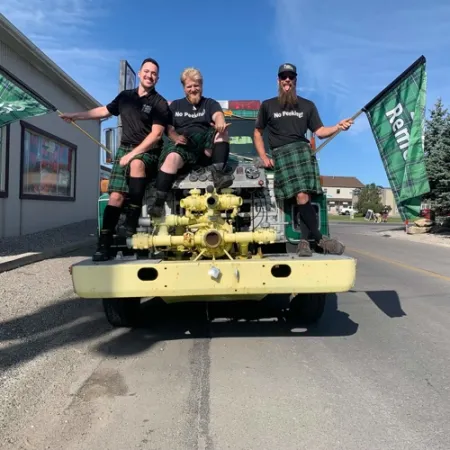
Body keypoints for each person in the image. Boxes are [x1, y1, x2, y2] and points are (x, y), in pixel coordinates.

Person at [60, 57, 171, 261]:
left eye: (154, 73)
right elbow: (103, 111)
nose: (150, 75)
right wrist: (75, 115)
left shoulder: (159, 103)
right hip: (125, 149)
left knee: (137, 163)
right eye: (146, 71)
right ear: (139, 73)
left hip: (148, 151)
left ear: (158, 78)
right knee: (115, 197)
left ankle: (131, 221)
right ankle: (104, 244)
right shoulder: (125, 97)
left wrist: (131, 154)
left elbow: (156, 135)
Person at [253, 63, 353, 257]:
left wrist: (338, 126)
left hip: (302, 152)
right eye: (283, 77)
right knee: (300, 197)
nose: (287, 80)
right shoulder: (268, 105)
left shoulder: (307, 105)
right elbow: (257, 132)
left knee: (303, 197)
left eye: (290, 76)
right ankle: (319, 239)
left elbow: (321, 132)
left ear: (295, 80)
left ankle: (305, 243)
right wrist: (263, 156)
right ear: (278, 80)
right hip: (282, 154)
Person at [149, 67, 233, 217]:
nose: (193, 89)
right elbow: (168, 127)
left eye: (196, 85)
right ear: (184, 88)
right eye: (189, 86)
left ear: (201, 86)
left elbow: (218, 115)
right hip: (184, 146)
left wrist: (220, 123)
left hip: (205, 150)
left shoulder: (209, 103)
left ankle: (219, 175)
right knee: (171, 158)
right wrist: (174, 136)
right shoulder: (175, 105)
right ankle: (158, 202)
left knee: (222, 132)